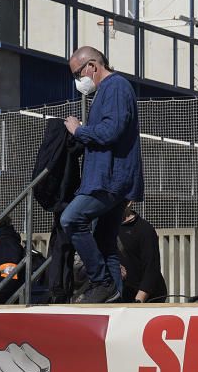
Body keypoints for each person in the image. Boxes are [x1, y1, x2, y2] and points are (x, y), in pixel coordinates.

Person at [61, 46, 144, 303]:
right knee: (105, 242)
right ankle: (114, 302)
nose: (78, 80)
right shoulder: (108, 91)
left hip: (109, 180)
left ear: (93, 66)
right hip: (110, 179)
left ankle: (100, 281)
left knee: (72, 219)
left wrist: (79, 131)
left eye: (78, 73)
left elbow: (111, 131)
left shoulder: (115, 87)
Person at [117, 202, 167, 303]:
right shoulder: (103, 227)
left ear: (130, 202)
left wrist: (139, 301)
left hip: (145, 297)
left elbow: (152, 268)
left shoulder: (144, 229)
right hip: (119, 294)